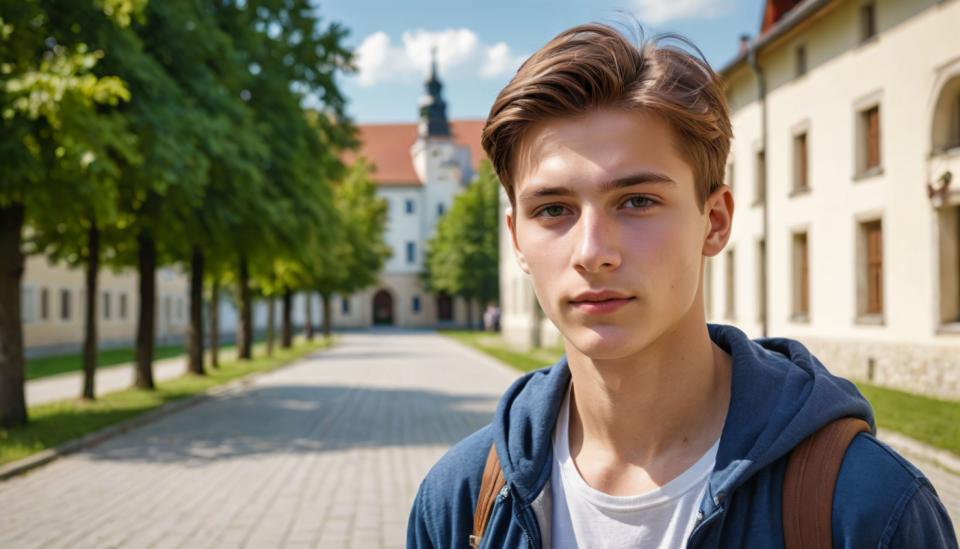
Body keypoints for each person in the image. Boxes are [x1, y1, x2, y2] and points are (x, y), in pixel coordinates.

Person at [406, 22, 958, 548]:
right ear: (518, 241)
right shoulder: (460, 503)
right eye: (553, 209)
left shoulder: (867, 508)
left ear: (714, 221)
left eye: (638, 201)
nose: (593, 252)